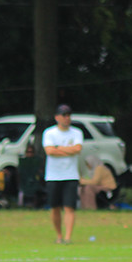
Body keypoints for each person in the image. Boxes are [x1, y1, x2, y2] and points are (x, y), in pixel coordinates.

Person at [43, 104, 83, 243]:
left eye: (68, 115)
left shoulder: (76, 133)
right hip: (53, 176)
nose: (67, 118)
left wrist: (58, 148)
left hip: (71, 175)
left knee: (69, 207)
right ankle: (59, 235)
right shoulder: (49, 133)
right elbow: (50, 151)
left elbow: (77, 149)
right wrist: (67, 150)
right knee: (55, 207)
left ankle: (68, 237)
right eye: (64, 115)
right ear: (57, 117)